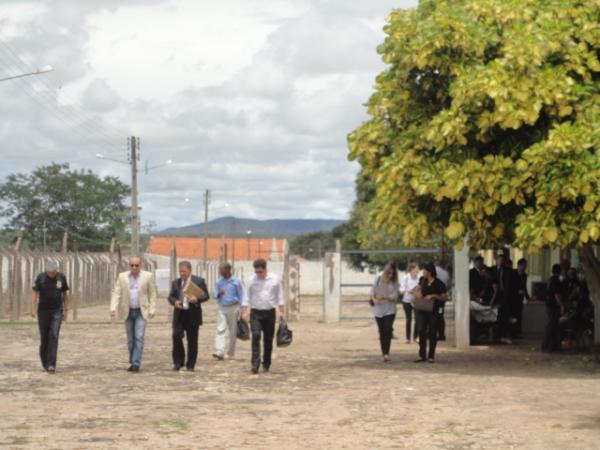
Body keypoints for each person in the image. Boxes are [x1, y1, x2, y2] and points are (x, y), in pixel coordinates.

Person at [110, 257, 157, 372]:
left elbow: (152, 293)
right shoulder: (122, 277)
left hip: (141, 311)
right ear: (129, 266)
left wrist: (152, 309)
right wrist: (113, 307)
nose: (134, 267)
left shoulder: (147, 276)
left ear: (140, 265)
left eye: (137, 265)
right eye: (132, 265)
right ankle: (132, 360)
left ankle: (136, 362)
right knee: (130, 339)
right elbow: (117, 292)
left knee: (139, 337)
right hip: (128, 311)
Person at [241, 259, 284, 374]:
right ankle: (255, 364)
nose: (258, 274)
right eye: (256, 272)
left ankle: (266, 364)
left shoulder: (275, 279)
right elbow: (246, 296)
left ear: (265, 269)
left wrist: (281, 311)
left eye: (260, 272)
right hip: (255, 313)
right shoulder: (251, 280)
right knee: (255, 336)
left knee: (268, 340)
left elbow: (279, 295)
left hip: (270, 313)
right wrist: (244, 311)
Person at [168, 261, 209, 371]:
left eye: (184, 271)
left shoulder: (199, 281)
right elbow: (170, 296)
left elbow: (206, 295)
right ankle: (178, 362)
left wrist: (197, 299)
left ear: (190, 270)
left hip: (193, 314)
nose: (182, 274)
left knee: (192, 341)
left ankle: (190, 364)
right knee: (176, 336)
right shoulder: (175, 283)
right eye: (180, 271)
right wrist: (175, 302)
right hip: (179, 314)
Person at [30, 261, 69, 373]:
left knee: (54, 335)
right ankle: (45, 362)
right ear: (46, 271)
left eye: (53, 272)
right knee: (45, 337)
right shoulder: (41, 278)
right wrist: (32, 308)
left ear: (56, 270)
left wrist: (66, 310)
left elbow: (65, 294)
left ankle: (51, 364)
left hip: (57, 310)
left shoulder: (61, 278)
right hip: (43, 311)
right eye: (49, 272)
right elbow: (34, 292)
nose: (51, 274)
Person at [414, 263, 448, 363]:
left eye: (424, 271)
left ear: (430, 272)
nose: (423, 273)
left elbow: (445, 297)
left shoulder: (439, 284)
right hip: (422, 309)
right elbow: (415, 290)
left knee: (432, 332)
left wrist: (433, 296)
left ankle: (431, 355)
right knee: (421, 330)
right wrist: (418, 294)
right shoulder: (422, 280)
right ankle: (422, 355)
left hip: (434, 311)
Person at [212, 262, 243, 361]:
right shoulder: (219, 282)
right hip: (222, 307)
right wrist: (218, 293)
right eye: (220, 269)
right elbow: (213, 294)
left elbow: (241, 296)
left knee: (232, 331)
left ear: (228, 270)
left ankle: (231, 353)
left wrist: (242, 310)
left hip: (233, 308)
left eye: (222, 269)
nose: (220, 272)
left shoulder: (236, 282)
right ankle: (219, 351)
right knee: (220, 329)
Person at [371, 261, 400, 362]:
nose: (390, 275)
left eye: (392, 273)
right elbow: (372, 291)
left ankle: (387, 353)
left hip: (390, 309)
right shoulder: (378, 278)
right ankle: (383, 352)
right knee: (381, 332)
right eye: (388, 272)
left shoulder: (394, 282)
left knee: (387, 330)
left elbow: (395, 295)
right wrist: (374, 299)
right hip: (378, 309)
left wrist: (384, 296)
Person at [541, 264, 565, 352]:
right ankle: (546, 345)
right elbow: (557, 294)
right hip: (553, 306)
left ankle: (552, 346)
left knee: (553, 326)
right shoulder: (556, 281)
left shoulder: (550, 280)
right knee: (551, 326)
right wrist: (561, 305)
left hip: (549, 305)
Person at [400, 262, 420, 343]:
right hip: (407, 301)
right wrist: (409, 291)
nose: (418, 270)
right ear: (412, 269)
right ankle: (408, 338)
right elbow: (401, 289)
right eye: (417, 268)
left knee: (417, 319)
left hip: (416, 301)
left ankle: (416, 337)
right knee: (409, 319)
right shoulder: (405, 277)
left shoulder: (419, 278)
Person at [513, 258, 530, 338]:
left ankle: (517, 332)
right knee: (514, 315)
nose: (525, 267)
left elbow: (524, 286)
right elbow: (510, 285)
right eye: (523, 265)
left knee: (519, 315)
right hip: (513, 297)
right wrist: (516, 291)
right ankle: (513, 332)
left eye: (525, 265)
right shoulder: (513, 273)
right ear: (519, 265)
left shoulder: (524, 275)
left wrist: (527, 297)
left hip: (520, 298)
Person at [434, 259, 450, 341]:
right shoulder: (446, 273)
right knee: (440, 315)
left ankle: (434, 333)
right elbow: (448, 285)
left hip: (433, 299)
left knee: (433, 316)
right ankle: (441, 334)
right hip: (441, 299)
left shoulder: (433, 272)